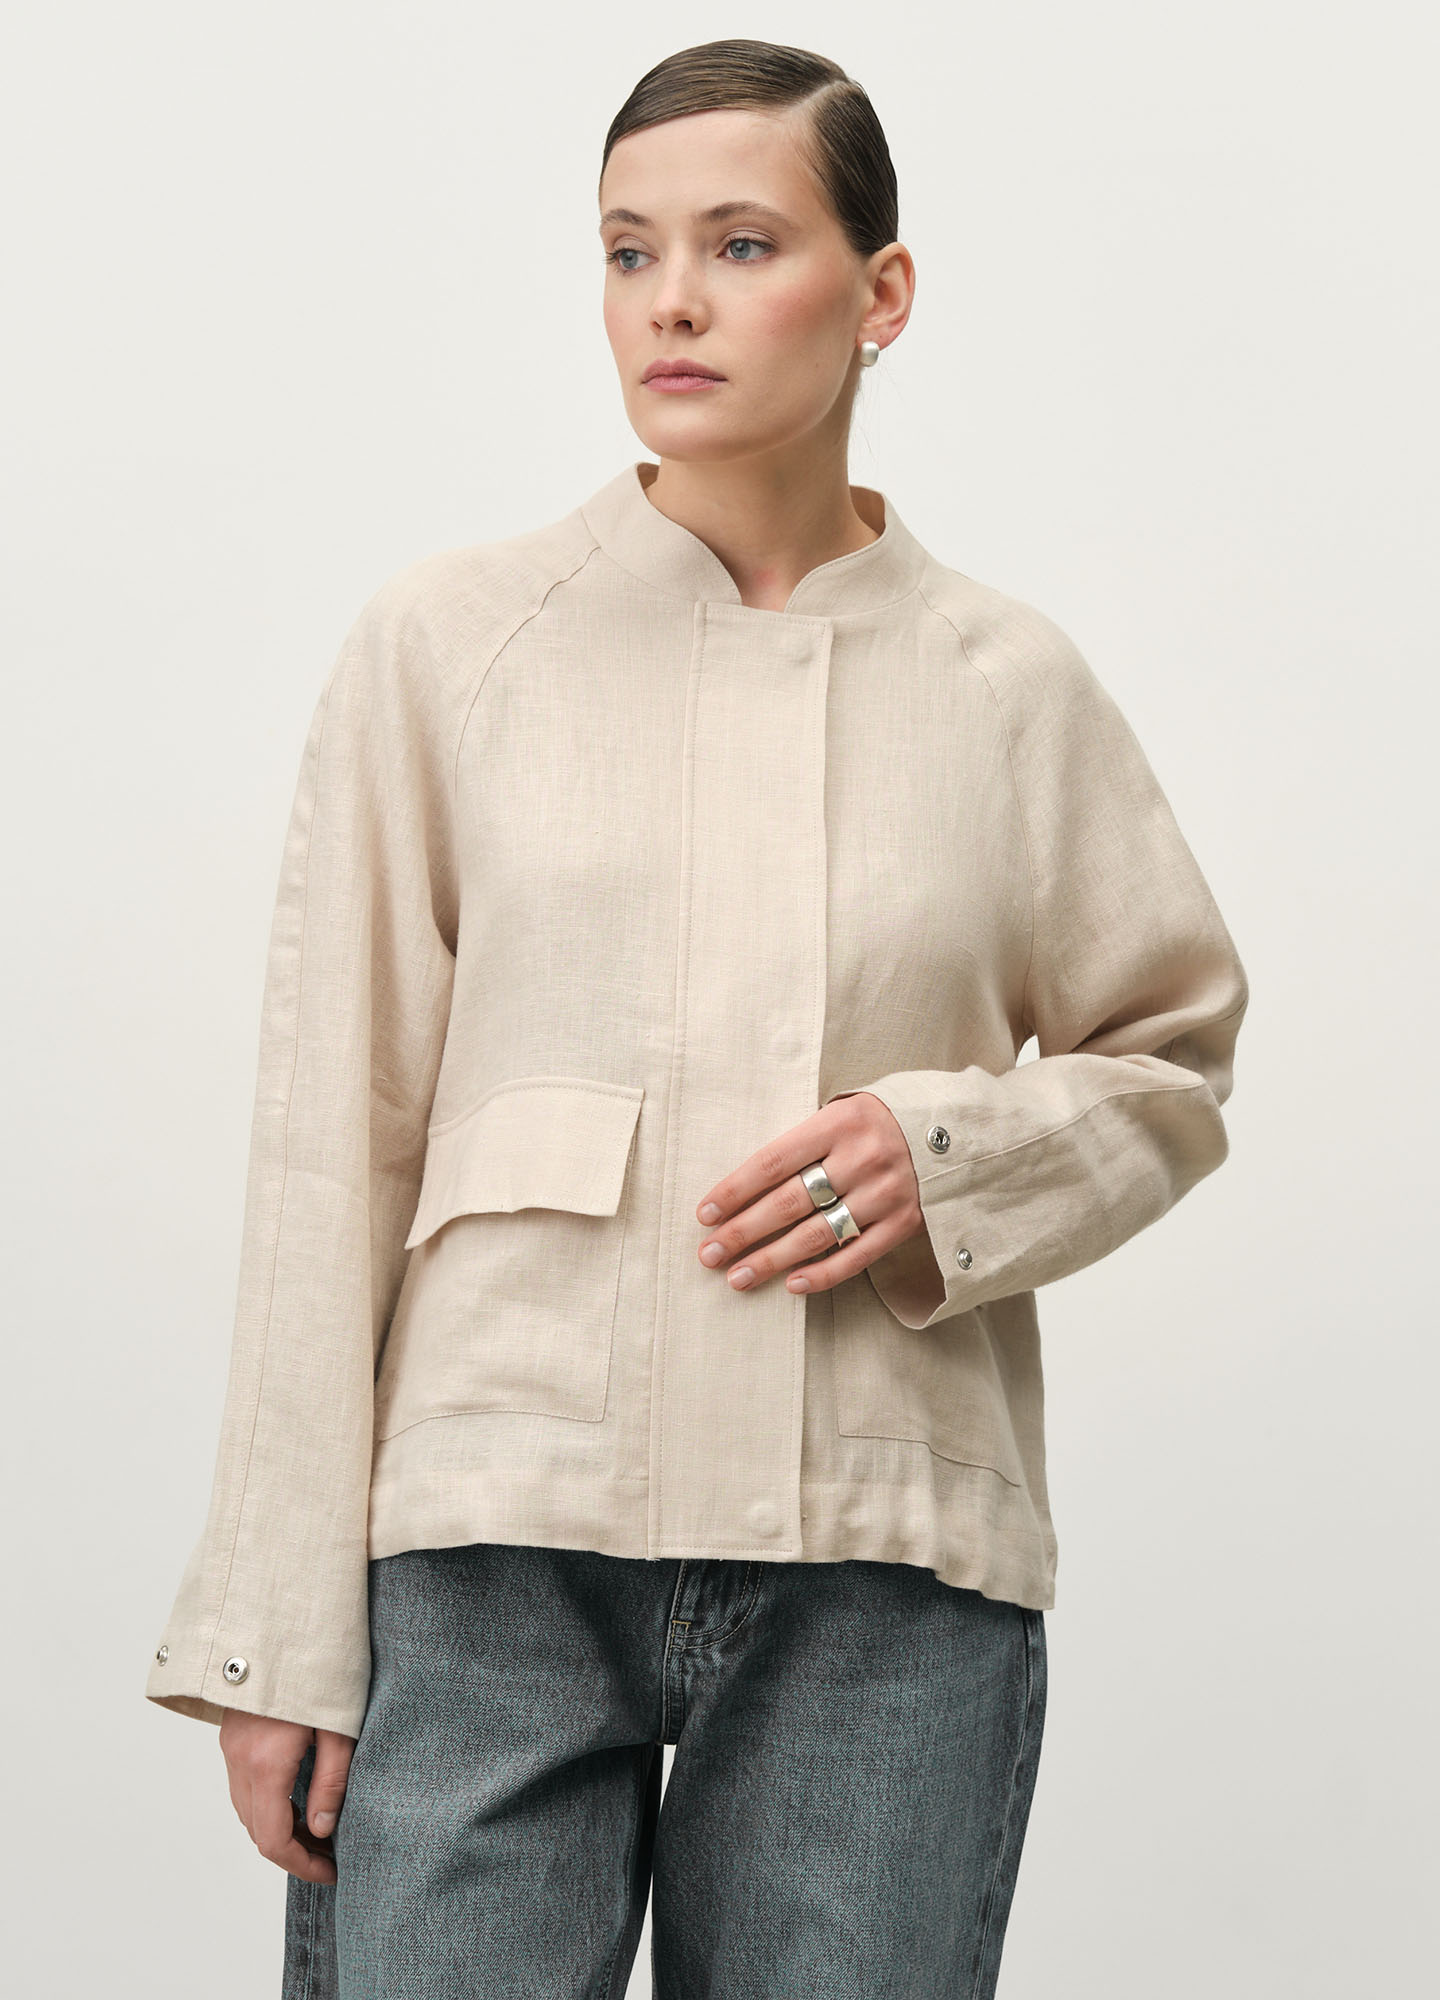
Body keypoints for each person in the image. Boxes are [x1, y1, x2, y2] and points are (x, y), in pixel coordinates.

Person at [144, 36, 1250, 2000]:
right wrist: (275, 1629)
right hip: (489, 1546)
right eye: (628, 249)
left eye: (742, 244)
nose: (671, 299)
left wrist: (947, 1155)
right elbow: (333, 1139)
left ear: (881, 291)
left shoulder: (1007, 687)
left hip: (884, 1559)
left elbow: (1170, 1052)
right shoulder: (451, 646)